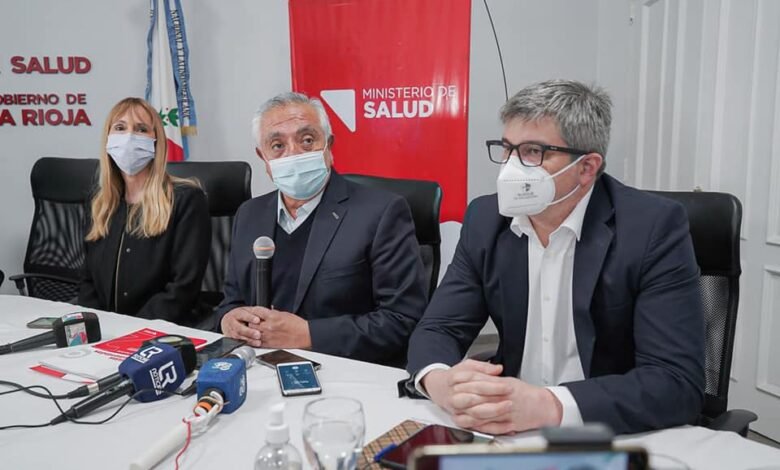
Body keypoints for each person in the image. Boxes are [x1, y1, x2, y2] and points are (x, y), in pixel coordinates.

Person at [406, 80, 705, 435]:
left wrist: (550, 405)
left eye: (533, 151)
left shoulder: (652, 228)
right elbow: (439, 327)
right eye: (507, 149)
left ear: (587, 167)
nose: (511, 167)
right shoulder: (486, 219)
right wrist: (440, 382)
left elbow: (674, 381)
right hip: (506, 428)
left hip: (607, 429)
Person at [217, 92, 427, 367]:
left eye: (307, 140)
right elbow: (232, 300)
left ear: (328, 145)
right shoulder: (249, 214)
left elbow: (402, 319)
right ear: (263, 157)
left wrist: (308, 334)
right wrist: (228, 319)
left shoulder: (382, 212)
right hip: (259, 368)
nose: (293, 153)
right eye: (277, 145)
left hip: (346, 370)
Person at [78, 97, 211, 326]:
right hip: (106, 330)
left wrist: (131, 329)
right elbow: (87, 281)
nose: (129, 137)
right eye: (120, 128)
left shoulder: (186, 199)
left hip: (163, 329)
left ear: (156, 141)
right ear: (108, 140)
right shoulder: (100, 203)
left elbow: (183, 288)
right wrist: (100, 325)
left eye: (141, 129)